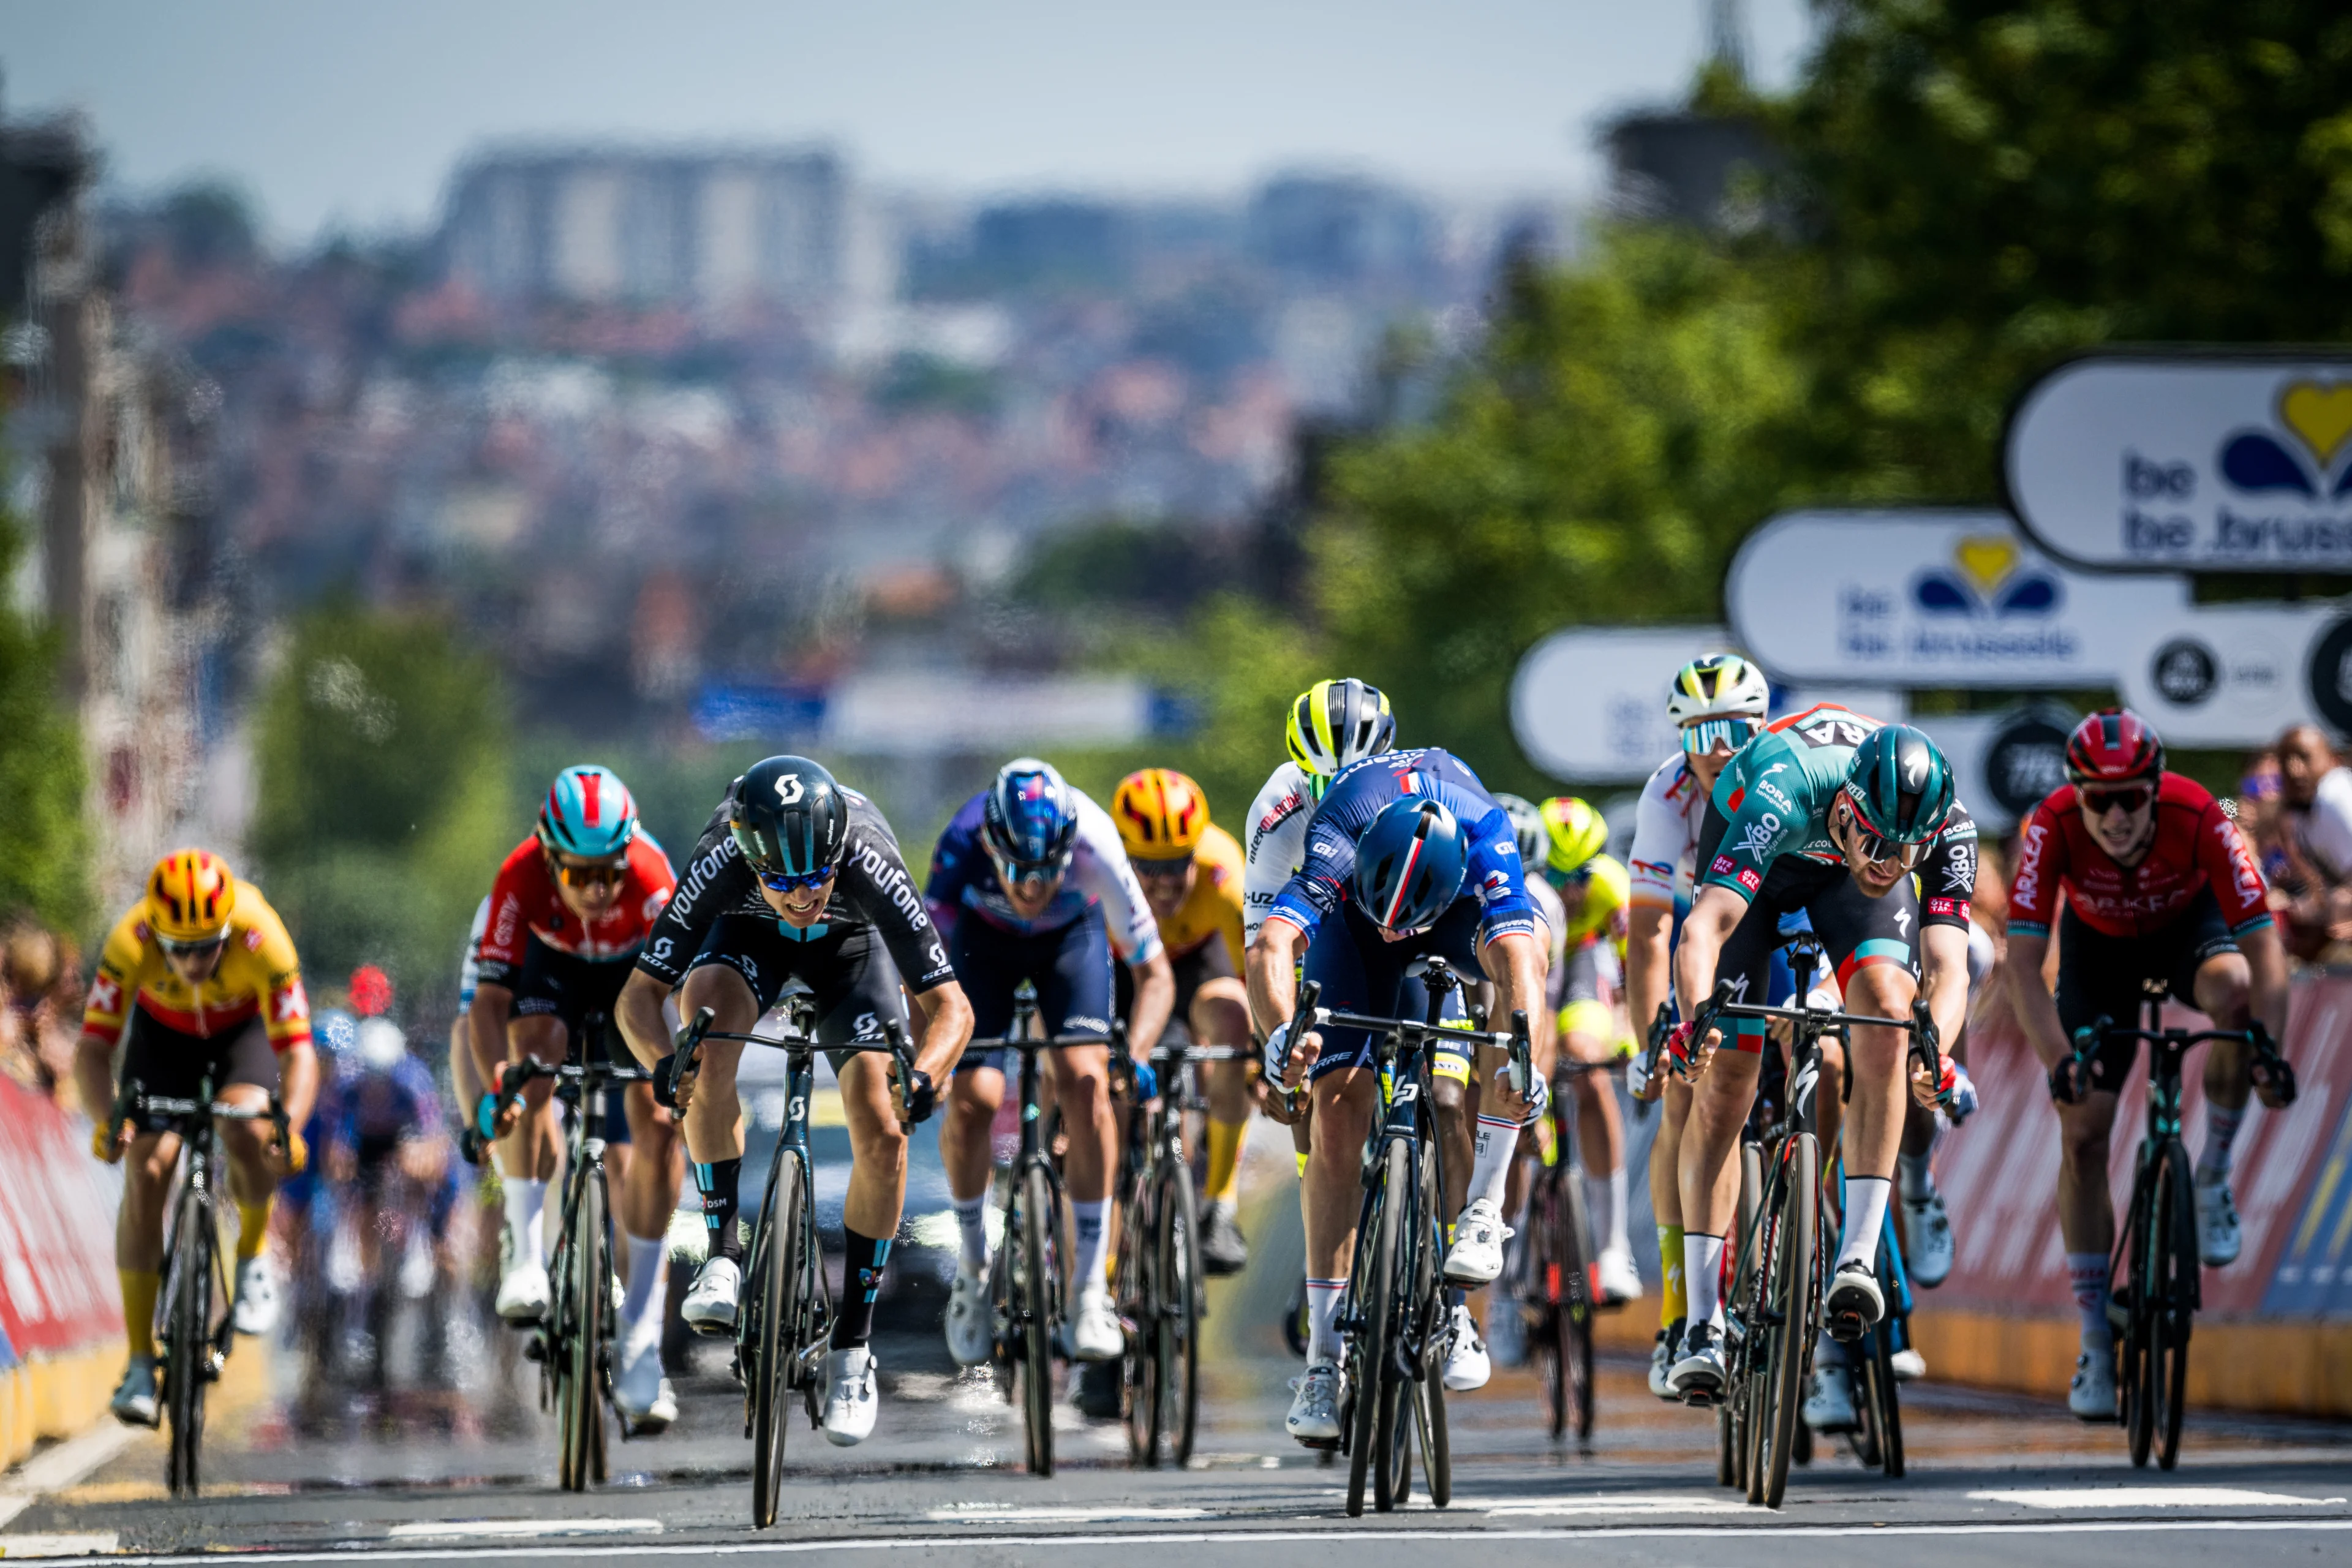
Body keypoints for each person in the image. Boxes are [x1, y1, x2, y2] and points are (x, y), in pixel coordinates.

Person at [617, 756, 972, 1446]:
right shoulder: (722, 857)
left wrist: (924, 1076)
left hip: (851, 950)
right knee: (703, 1038)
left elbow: (951, 1007)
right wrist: (662, 1067)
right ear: (752, 860)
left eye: (819, 876)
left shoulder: (867, 859)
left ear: (839, 850)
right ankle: (723, 1250)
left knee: (883, 1127)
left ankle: (852, 1349)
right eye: (784, 880)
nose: (805, 894)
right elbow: (638, 997)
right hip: (745, 941)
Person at [1665, 710, 1974, 1401]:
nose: (1888, 864)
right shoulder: (1784, 788)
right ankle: (1702, 1325)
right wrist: (1693, 1024)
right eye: (1877, 841)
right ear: (1848, 805)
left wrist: (1938, 1056)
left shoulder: (1945, 828)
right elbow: (1706, 925)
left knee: (1891, 1022)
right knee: (1727, 1081)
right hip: (1765, 861)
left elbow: (1950, 969)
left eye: (1907, 853)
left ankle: (1857, 1254)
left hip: (1838, 887)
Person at [1250, 748, 1551, 1446]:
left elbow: (1520, 963)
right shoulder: (1339, 830)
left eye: (1402, 917)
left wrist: (1523, 1055)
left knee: (1480, 1058)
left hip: (1453, 926)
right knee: (1337, 1111)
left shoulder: (1488, 839)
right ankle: (1325, 1359)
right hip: (1353, 931)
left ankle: (1481, 1211)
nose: (1397, 928)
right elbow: (1272, 943)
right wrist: (1276, 1039)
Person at [2006, 708, 2290, 1420]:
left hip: (2188, 933)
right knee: (2083, 1135)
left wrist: (2269, 1049)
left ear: (2156, 788)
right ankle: (2097, 1339)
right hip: (2097, 955)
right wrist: (2059, 1060)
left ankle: (2215, 1172)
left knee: (2235, 997)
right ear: (2076, 793)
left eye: (2133, 795)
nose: (2117, 813)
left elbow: (2265, 948)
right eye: (2099, 798)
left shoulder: (2199, 813)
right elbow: (2018, 965)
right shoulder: (2051, 823)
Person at [929, 759, 1172, 1376]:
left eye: (1046, 871)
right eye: (1016, 871)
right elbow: (923, 977)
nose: (1032, 888)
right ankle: (974, 1269)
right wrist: (924, 1060)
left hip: (1071, 941)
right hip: (983, 946)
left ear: (1070, 851)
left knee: (1087, 1082)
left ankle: (1091, 1290)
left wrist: (1137, 1055)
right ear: (990, 845)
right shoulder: (959, 844)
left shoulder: (1096, 844)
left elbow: (1155, 975)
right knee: (974, 1096)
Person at [467, 764, 682, 1435]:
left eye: (607, 873)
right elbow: (489, 1004)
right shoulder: (520, 876)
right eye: (579, 873)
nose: (596, 888)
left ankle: (643, 1339)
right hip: (550, 970)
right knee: (531, 1066)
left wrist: (681, 1076)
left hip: (631, 977)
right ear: (549, 857)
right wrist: (499, 1082)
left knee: (658, 1118)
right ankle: (527, 1255)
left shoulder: (652, 877)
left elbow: (680, 994)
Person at [78, 850, 318, 1427]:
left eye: (206, 946)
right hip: (161, 1040)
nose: (191, 960)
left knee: (247, 1127)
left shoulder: (264, 936)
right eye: (177, 948)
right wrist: (108, 1118)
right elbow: (92, 1049)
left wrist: (292, 1128)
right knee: (148, 1167)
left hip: (241, 1036)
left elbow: (299, 1050)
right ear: (156, 935)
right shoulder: (129, 940)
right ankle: (139, 1363)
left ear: (229, 931)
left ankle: (254, 1255)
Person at [1619, 652, 1769, 1399]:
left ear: (1759, 727)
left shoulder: (1776, 775)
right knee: (1686, 1091)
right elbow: (1647, 931)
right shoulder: (1668, 795)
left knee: (1838, 1061)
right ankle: (1681, 1311)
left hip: (1787, 908)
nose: (1715, 747)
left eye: (1733, 728)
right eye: (1699, 730)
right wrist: (1655, 1033)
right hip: (1701, 925)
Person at [1110, 767, 1256, 1275]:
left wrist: (1254, 1060)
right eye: (1146, 868)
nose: (1165, 882)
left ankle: (1220, 1204)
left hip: (1197, 965)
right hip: (1124, 974)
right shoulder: (1097, 876)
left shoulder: (1224, 875)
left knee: (1235, 1020)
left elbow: (1253, 975)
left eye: (1177, 863)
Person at [1534, 795, 1645, 1306]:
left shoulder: (1611, 886)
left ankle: (1613, 1245)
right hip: (1534, 960)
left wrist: (1632, 1042)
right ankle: (1510, 1294)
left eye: (1580, 874)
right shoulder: (1523, 891)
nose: (1572, 891)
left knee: (1588, 1067)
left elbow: (1635, 977)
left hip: (1581, 964)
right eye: (1557, 878)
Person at [2274, 725, 2352, 958]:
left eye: (2304, 758)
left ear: (2331, 759)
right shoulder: (2299, 813)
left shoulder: (2335, 795)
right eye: (2286, 760)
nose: (2295, 770)